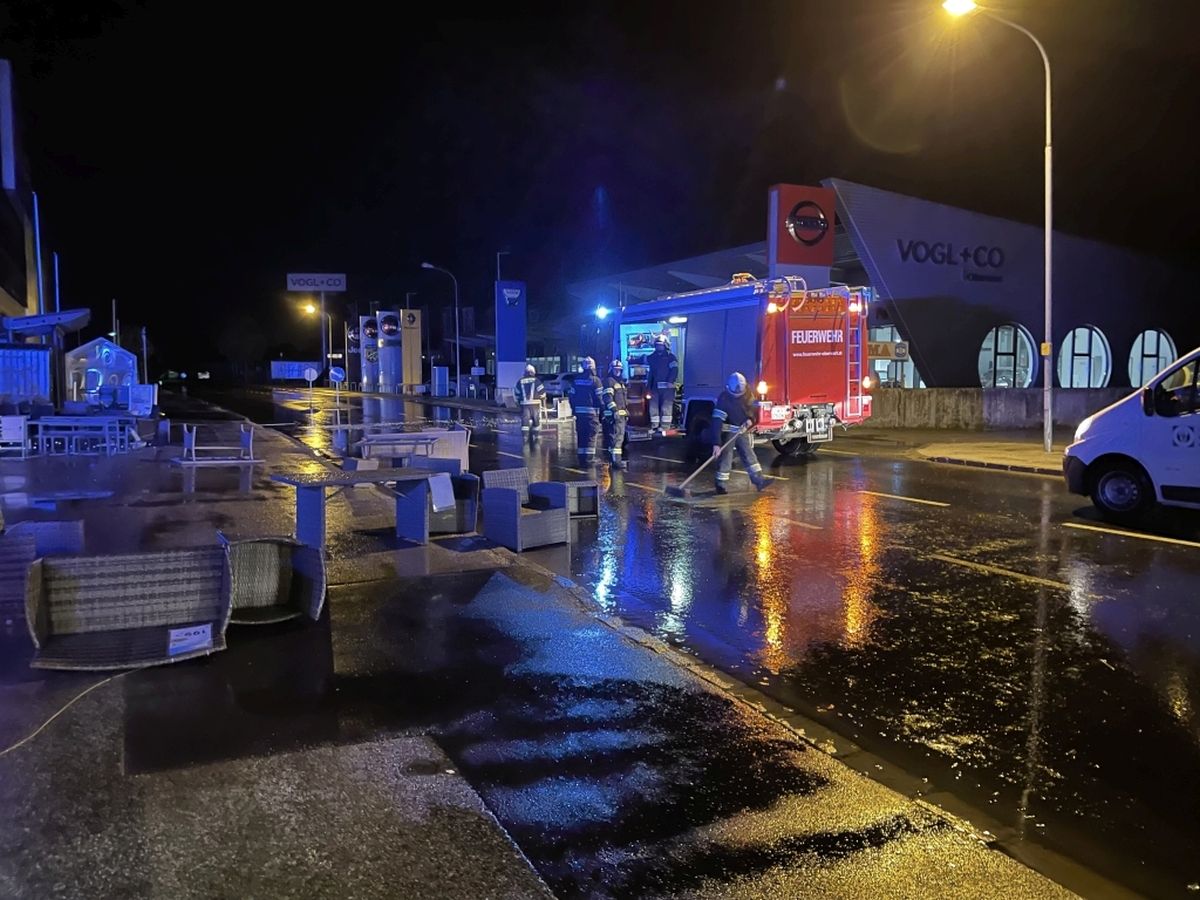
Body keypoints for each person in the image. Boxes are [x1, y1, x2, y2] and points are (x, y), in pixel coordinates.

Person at [711, 371, 767, 494]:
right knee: (726, 457)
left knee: (749, 455)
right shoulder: (724, 399)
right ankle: (721, 485)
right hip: (728, 432)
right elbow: (716, 422)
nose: (737, 395)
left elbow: (753, 411)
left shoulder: (748, 395)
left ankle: (759, 480)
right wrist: (716, 443)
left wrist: (750, 420)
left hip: (741, 431)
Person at [566, 357, 603, 467]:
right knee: (591, 435)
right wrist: (602, 411)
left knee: (581, 435)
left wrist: (574, 409)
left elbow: (571, 397)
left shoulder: (576, 380)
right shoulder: (595, 380)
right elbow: (599, 398)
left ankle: (582, 457)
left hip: (579, 413)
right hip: (591, 414)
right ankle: (589, 459)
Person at [646, 335, 678, 435]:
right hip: (654, 387)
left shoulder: (671, 357)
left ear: (665, 346)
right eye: (657, 345)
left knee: (666, 407)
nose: (658, 347)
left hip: (667, 388)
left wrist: (670, 381)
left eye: (661, 345)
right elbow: (645, 362)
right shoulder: (652, 357)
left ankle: (665, 427)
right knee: (653, 407)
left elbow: (674, 370)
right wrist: (632, 359)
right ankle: (654, 426)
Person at [601, 358, 630, 469]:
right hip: (614, 416)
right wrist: (614, 411)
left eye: (619, 370)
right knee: (616, 440)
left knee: (618, 439)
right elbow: (608, 398)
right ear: (611, 370)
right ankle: (616, 463)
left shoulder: (621, 383)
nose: (617, 371)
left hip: (621, 416)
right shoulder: (609, 381)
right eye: (615, 370)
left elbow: (623, 400)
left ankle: (613, 460)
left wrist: (626, 412)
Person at [515, 364, 545, 434]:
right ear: (532, 372)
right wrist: (543, 397)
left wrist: (519, 403)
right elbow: (542, 392)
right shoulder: (536, 380)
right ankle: (536, 438)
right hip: (535, 405)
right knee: (536, 423)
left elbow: (517, 394)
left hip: (524, 405)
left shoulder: (520, 381)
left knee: (525, 424)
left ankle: (525, 438)